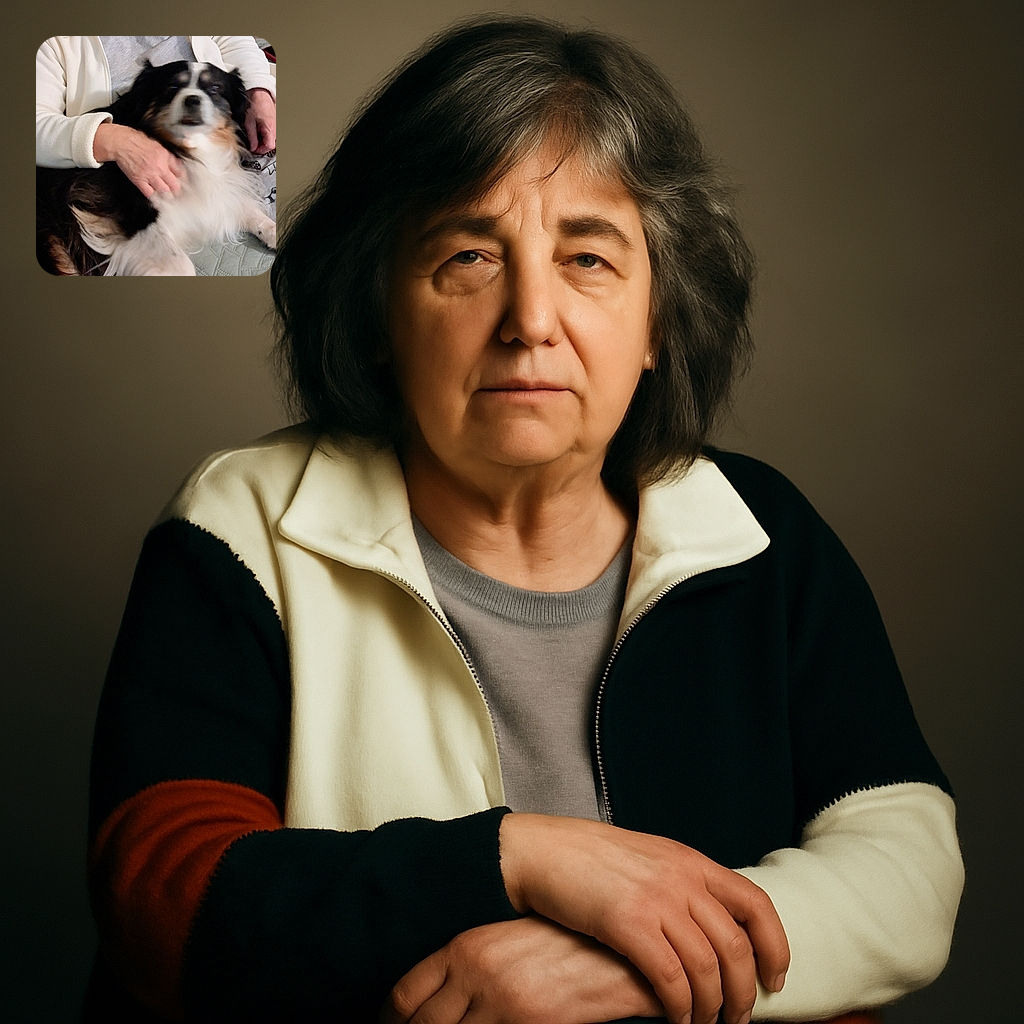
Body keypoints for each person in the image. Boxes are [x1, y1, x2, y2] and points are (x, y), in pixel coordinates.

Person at [84, 17, 963, 1024]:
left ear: (658, 318)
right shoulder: (245, 526)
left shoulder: (761, 532)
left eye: (587, 258)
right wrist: (519, 858)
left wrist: (630, 969)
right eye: (468, 255)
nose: (531, 319)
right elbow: (169, 905)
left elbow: (906, 869)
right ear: (379, 309)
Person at [36, 36, 276, 274]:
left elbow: (234, 39)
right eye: (174, 88)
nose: (192, 97)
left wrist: (259, 91)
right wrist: (114, 140)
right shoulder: (54, 42)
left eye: (213, 89)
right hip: (114, 172)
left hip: (235, 149)